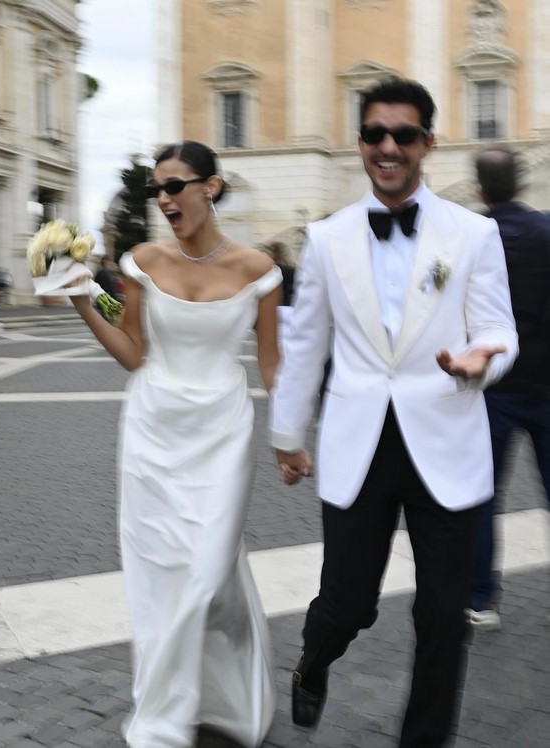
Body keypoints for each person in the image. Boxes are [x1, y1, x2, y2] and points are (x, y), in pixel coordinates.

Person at [270, 77, 518, 748]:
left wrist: (482, 360)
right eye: (375, 134)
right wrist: (288, 434)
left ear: (426, 144)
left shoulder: (472, 233)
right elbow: (305, 344)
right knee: (347, 605)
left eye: (403, 135)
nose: (388, 147)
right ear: (359, 142)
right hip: (358, 446)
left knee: (443, 618)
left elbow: (498, 328)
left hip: (447, 440)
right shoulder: (326, 239)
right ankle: (314, 658)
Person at [69, 140, 280, 748]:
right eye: (156, 189)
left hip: (222, 435)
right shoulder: (142, 261)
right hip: (152, 433)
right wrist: (82, 300)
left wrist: (293, 435)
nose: (163, 199)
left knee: (208, 575)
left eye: (174, 186)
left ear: (210, 187)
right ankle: (166, 717)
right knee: (162, 579)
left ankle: (224, 696)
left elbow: (274, 364)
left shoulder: (259, 270)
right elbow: (133, 353)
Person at [467, 147, 550, 631]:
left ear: (479, 189)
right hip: (547, 383)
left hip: (492, 386)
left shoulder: (471, 237)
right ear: (521, 183)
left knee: (484, 498)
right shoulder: (546, 231)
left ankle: (482, 599)